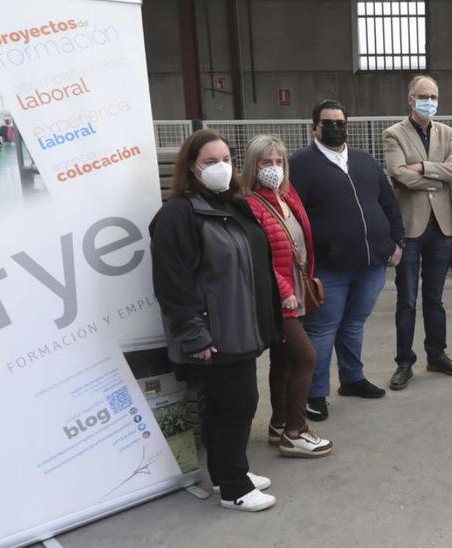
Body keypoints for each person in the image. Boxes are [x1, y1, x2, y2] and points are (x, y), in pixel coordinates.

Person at [150, 129, 280, 511]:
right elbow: (172, 283)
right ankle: (234, 488)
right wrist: (195, 334)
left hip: (240, 327)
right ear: (191, 167)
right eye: (210, 161)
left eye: (225, 159)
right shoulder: (178, 215)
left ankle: (228, 471)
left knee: (225, 405)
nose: (221, 167)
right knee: (239, 405)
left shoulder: (232, 206)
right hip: (214, 334)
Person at [291, 99, 404, 419]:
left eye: (340, 122)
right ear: (314, 127)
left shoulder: (365, 161)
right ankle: (316, 393)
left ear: (348, 126)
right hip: (329, 266)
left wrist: (396, 242)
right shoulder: (300, 165)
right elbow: (293, 216)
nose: (335, 127)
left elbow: (389, 204)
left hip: (371, 263)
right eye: (328, 122)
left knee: (354, 324)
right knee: (324, 328)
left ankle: (352, 379)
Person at [238, 134, 333, 458]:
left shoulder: (286, 194)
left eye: (279, 162)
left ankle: (279, 423)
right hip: (279, 296)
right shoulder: (250, 204)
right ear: (254, 165)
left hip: (296, 288)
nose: (274, 168)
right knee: (306, 357)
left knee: (283, 359)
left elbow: (300, 241)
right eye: (267, 162)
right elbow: (258, 257)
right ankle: (296, 432)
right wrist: (283, 292)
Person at [381, 76, 452, 391]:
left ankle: (437, 354)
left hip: (441, 228)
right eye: (423, 96)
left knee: (435, 298)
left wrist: (422, 168)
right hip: (411, 230)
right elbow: (399, 174)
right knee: (406, 300)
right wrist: (437, 174)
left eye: (433, 95)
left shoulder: (445, 132)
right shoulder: (394, 134)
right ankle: (404, 362)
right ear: (410, 99)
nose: (429, 101)